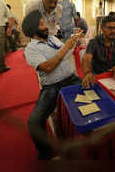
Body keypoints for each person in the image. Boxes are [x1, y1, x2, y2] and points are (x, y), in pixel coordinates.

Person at [22, 10, 82, 160]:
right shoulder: (30, 49)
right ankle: (45, 152)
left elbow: (66, 54)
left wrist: (73, 42)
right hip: (52, 86)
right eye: (42, 24)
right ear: (33, 29)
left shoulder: (53, 39)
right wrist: (66, 48)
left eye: (44, 22)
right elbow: (47, 67)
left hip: (71, 78)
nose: (46, 26)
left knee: (95, 94)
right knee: (34, 122)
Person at [81, 15, 115, 88]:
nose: (113, 31)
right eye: (109, 28)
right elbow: (86, 59)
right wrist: (88, 73)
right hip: (98, 77)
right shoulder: (94, 42)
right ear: (102, 28)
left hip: (114, 76)